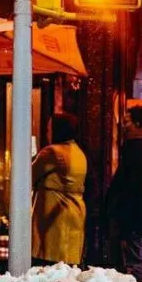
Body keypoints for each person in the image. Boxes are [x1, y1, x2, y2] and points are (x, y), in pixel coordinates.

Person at [32, 112, 87, 267]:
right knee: (68, 261)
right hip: (75, 210)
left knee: (50, 261)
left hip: (53, 212)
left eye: (49, 128)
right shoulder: (79, 153)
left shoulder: (52, 152)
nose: (47, 131)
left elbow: (28, 176)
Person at [106, 105, 142, 282]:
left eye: (127, 122)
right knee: (137, 249)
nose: (123, 125)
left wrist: (115, 202)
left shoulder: (135, 146)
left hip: (132, 208)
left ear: (137, 123)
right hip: (140, 207)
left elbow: (128, 180)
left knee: (133, 252)